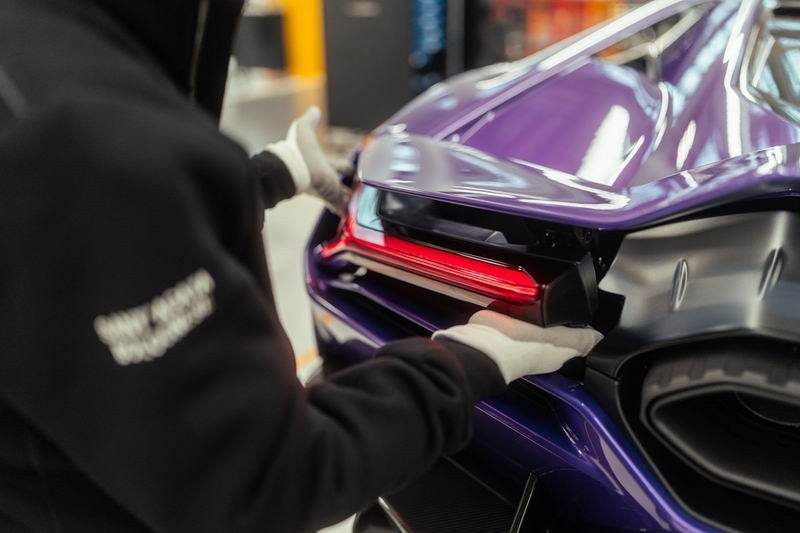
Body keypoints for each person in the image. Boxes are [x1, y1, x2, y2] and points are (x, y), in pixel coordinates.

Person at [0, 1, 602, 532]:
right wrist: (466, 363)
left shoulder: (44, 53)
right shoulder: (79, 146)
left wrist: (258, 179)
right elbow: (259, 485)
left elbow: (72, 247)